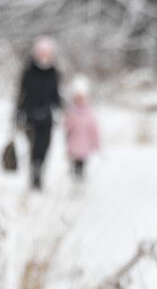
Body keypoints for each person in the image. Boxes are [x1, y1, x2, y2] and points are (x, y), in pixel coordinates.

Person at [15, 36, 62, 191]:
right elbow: (21, 94)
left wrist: (61, 108)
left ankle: (39, 169)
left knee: (45, 146)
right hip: (31, 116)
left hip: (47, 117)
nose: (44, 56)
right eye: (41, 53)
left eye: (47, 53)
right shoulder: (29, 72)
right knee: (34, 146)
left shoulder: (54, 72)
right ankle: (34, 173)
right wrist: (18, 114)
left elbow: (56, 95)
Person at [63, 75, 100, 181]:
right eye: (77, 98)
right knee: (74, 162)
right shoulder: (71, 111)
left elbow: (94, 129)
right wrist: (69, 119)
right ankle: (73, 178)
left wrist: (95, 143)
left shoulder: (89, 112)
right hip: (73, 142)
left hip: (84, 143)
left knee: (82, 163)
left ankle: (80, 179)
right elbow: (66, 126)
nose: (79, 100)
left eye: (82, 98)